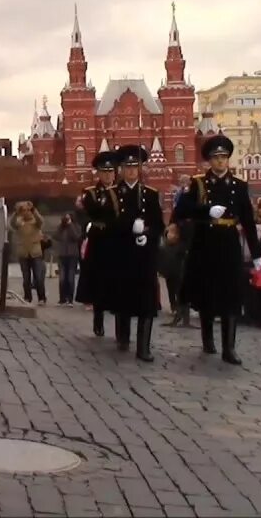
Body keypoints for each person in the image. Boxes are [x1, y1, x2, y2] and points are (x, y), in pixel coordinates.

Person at [175, 135, 261, 365]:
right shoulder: (199, 183)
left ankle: (229, 348)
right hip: (206, 241)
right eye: (216, 158)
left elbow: (249, 221)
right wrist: (206, 211)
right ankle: (207, 339)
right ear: (209, 161)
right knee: (207, 293)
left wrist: (256, 252)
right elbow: (181, 210)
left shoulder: (239, 186)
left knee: (231, 294)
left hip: (229, 241)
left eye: (224, 157)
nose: (221, 162)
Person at [104, 145, 165, 361]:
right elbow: (107, 225)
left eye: (135, 167)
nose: (131, 171)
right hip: (122, 255)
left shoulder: (150, 194)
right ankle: (123, 336)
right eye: (127, 167)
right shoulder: (112, 194)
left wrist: (147, 234)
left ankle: (143, 347)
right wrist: (129, 228)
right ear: (120, 169)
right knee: (123, 298)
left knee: (146, 301)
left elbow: (159, 225)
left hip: (144, 255)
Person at [76, 150, 119, 336]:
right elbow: (86, 215)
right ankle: (98, 320)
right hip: (99, 241)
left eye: (111, 171)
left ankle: (120, 322)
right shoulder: (91, 193)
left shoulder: (123, 191)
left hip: (118, 240)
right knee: (98, 283)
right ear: (99, 174)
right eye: (104, 172)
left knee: (118, 283)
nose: (108, 175)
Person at [10, 201, 48, 305]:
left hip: (35, 253)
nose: (26, 212)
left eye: (28, 210)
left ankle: (42, 298)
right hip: (23, 253)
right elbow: (12, 223)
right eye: (24, 210)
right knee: (26, 278)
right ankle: (27, 297)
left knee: (38, 277)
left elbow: (41, 220)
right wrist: (16, 212)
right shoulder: (19, 221)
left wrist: (34, 210)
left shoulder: (35, 221)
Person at [54, 214, 82, 305]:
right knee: (62, 278)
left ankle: (70, 299)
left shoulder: (76, 227)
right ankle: (62, 298)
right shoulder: (61, 228)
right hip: (62, 255)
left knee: (70, 278)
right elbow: (55, 236)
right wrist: (61, 225)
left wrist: (70, 225)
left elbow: (76, 237)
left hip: (72, 255)